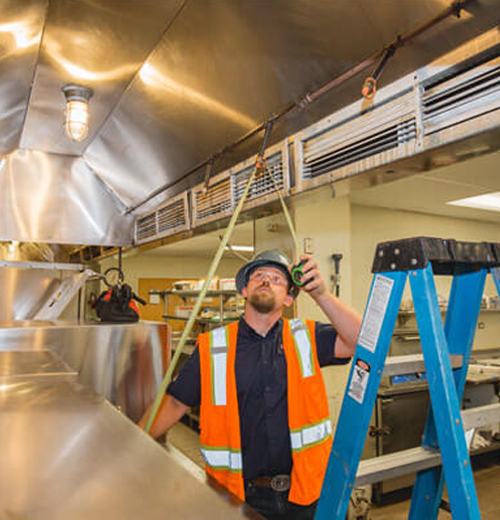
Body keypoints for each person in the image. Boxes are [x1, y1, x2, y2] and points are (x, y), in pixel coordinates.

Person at [140, 250, 362, 519]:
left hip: (308, 491)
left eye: (277, 279)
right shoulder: (214, 346)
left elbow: (361, 342)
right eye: (259, 276)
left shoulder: (307, 337)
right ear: (245, 290)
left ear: (289, 297)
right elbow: (176, 401)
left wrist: (321, 295)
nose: (267, 281)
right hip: (240, 495)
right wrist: (132, 443)